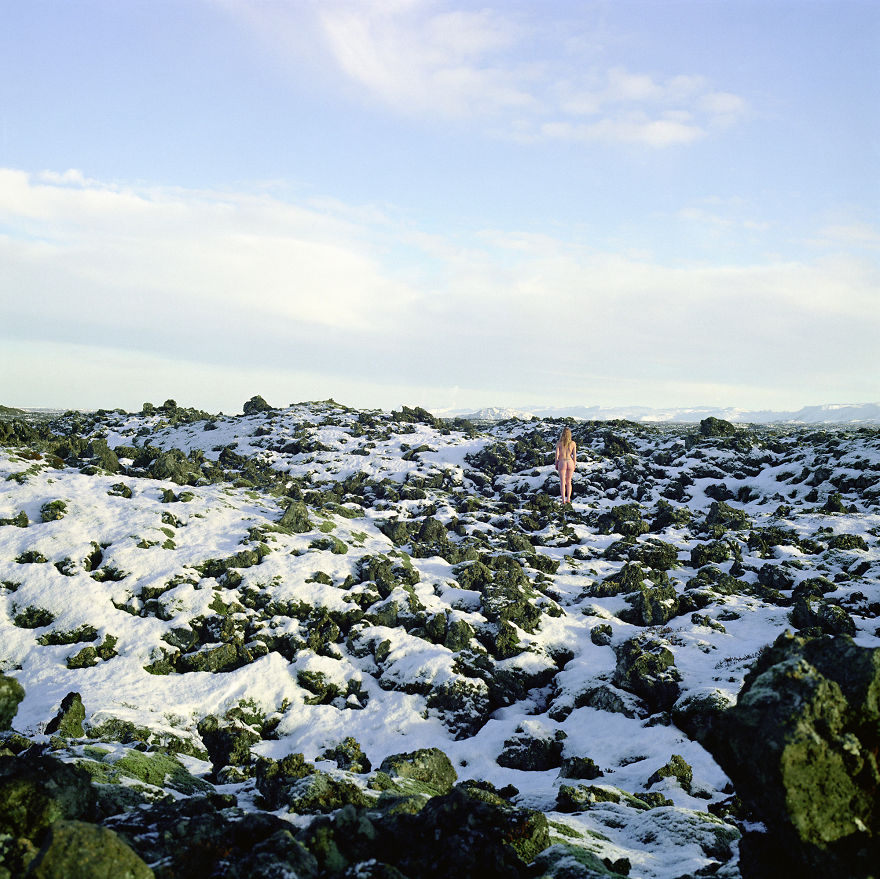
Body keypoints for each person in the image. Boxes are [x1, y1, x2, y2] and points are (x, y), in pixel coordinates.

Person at [554, 427, 576, 505]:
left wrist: (556, 463)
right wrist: (574, 464)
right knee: (569, 481)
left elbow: (557, 455)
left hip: (562, 462)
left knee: (562, 482)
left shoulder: (559, 443)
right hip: (570, 461)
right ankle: (568, 499)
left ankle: (563, 500)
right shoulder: (573, 443)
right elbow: (574, 456)